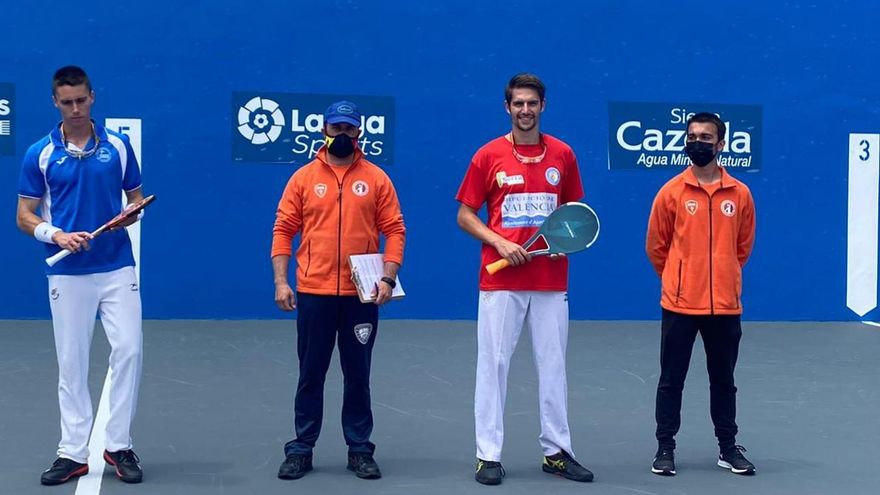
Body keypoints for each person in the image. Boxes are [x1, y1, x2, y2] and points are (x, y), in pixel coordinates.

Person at [455, 73, 593, 485]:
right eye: (518, 104)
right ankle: (488, 456)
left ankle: (556, 451)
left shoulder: (563, 155)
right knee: (493, 365)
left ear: (543, 106)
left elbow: (573, 216)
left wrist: (559, 244)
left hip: (551, 280)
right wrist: (498, 242)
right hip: (500, 283)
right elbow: (465, 215)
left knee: (553, 366)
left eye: (532, 103)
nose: (526, 110)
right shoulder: (488, 155)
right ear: (507, 108)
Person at [16, 66, 146, 485]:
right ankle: (72, 452)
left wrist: (130, 214)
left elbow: (136, 199)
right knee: (72, 363)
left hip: (116, 268)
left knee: (129, 350)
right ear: (56, 102)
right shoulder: (40, 152)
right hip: (67, 274)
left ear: (93, 97)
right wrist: (57, 235)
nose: (75, 108)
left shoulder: (119, 147)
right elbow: (23, 215)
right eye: (66, 102)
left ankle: (118, 445)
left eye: (81, 100)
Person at [271, 100, 405, 481]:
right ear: (324, 131)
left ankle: (360, 450)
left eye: (349, 129)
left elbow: (395, 230)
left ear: (359, 133)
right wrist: (282, 281)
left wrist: (388, 278)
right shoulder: (302, 178)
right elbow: (283, 230)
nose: (342, 135)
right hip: (313, 293)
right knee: (311, 374)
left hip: (361, 297)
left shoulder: (377, 178)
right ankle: (301, 449)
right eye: (336, 128)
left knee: (357, 375)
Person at [645, 112, 757, 476]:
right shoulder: (671, 192)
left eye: (706, 138)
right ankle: (665, 448)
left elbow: (743, 246)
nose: (698, 143)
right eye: (692, 136)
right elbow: (657, 246)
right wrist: (680, 279)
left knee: (723, 381)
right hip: (679, 305)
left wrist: (721, 278)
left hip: (725, 305)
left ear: (720, 145)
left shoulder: (739, 194)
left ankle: (727, 447)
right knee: (670, 380)